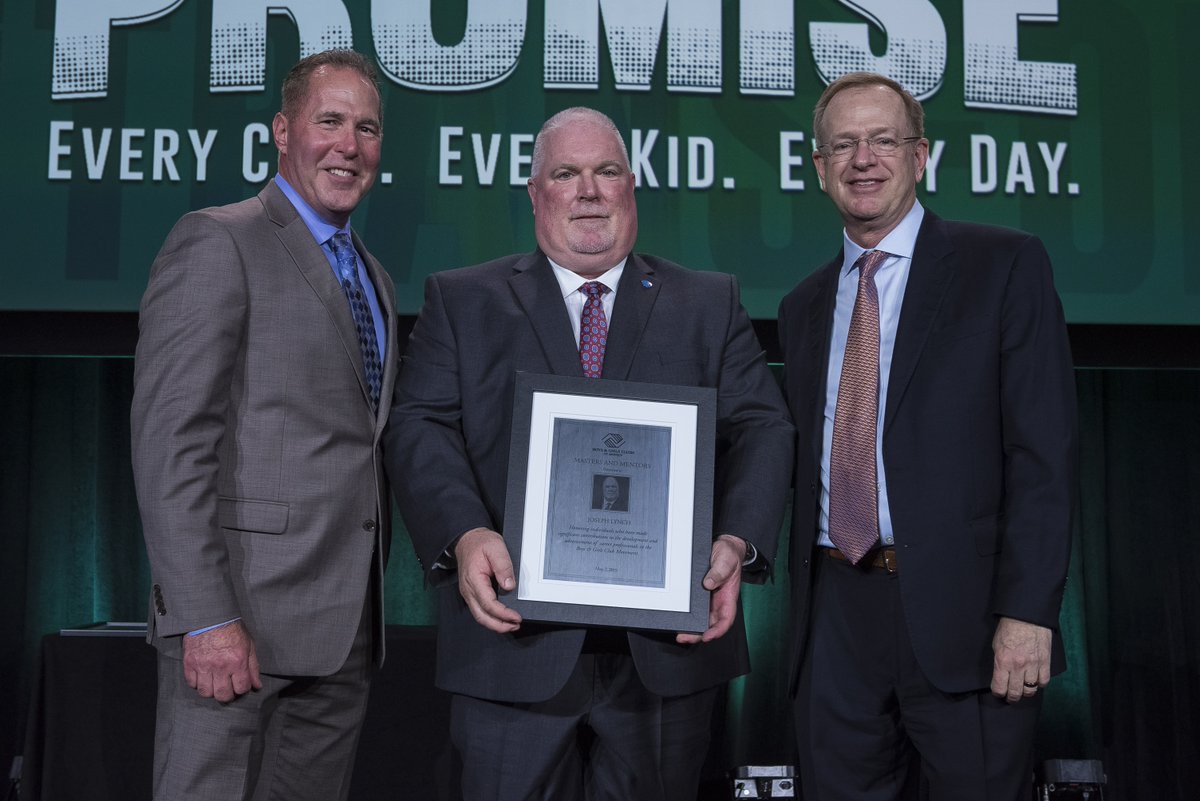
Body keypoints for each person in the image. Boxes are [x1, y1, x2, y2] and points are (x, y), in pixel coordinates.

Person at [385, 106, 794, 801]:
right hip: (511, 652)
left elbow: (765, 426)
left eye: (607, 171)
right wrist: (465, 531)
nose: (589, 190)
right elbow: (418, 424)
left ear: (631, 188)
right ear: (536, 191)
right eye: (566, 173)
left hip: (666, 659)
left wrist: (739, 539)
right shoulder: (463, 299)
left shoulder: (707, 300)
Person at [778, 71, 1077, 801]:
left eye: (884, 139)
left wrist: (1030, 610)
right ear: (818, 169)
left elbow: (1044, 453)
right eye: (843, 145)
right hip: (836, 621)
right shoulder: (803, 305)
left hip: (967, 620)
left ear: (922, 156)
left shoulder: (1002, 265)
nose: (863, 159)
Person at [130, 49, 396, 801]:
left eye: (367, 128)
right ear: (283, 131)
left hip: (342, 635)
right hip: (235, 626)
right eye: (330, 121)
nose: (349, 144)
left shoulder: (372, 274)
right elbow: (170, 443)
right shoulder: (219, 240)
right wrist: (204, 615)